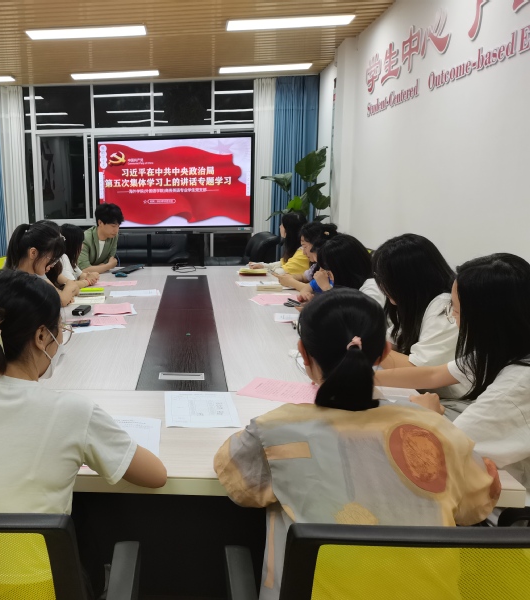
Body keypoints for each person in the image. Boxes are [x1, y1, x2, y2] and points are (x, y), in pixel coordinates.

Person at [215, 289, 500, 600]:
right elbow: (476, 505)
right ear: (384, 353)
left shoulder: (274, 430)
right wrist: (427, 420)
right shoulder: (434, 429)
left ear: (303, 353)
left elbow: (240, 483)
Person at [0, 269, 166, 514]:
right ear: (41, 336)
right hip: (35, 542)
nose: (61, 338)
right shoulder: (74, 412)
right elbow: (156, 475)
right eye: (60, 328)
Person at [375, 253, 530, 485]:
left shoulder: (516, 385)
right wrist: (367, 378)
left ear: (484, 320)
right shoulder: (506, 349)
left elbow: (441, 455)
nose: (452, 318)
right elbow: (433, 374)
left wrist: (428, 415)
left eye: (455, 311)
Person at [372, 234, 465, 396]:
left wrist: (368, 348)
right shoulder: (416, 305)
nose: (381, 285)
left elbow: (418, 371)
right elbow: (391, 343)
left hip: (454, 400)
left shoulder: (444, 306)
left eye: (384, 278)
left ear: (406, 281)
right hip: (429, 393)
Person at [6, 220, 79, 306]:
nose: (52, 265)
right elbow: (61, 300)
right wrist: (68, 288)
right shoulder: (26, 284)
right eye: (51, 259)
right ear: (33, 253)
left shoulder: (31, 278)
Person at [312, 234, 385, 305]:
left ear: (343, 269)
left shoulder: (372, 287)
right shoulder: (352, 285)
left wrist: (327, 289)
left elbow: (355, 312)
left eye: (328, 271)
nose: (326, 275)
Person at [273, 221, 339, 296]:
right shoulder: (318, 266)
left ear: (316, 245)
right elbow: (305, 278)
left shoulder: (332, 269)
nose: (304, 253)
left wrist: (291, 282)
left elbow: (317, 291)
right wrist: (291, 277)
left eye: (305, 247)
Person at [78, 203, 123, 274]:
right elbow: (84, 269)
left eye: (118, 226)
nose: (116, 230)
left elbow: (110, 259)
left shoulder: (113, 236)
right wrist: (108, 266)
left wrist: (97, 267)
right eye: (113, 226)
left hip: (101, 276)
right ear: (100, 223)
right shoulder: (85, 238)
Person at [60, 223, 99, 288]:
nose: (82, 246)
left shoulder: (70, 260)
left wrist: (90, 276)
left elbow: (80, 275)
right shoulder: (63, 258)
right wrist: (88, 281)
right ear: (73, 244)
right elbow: (71, 285)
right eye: (81, 243)